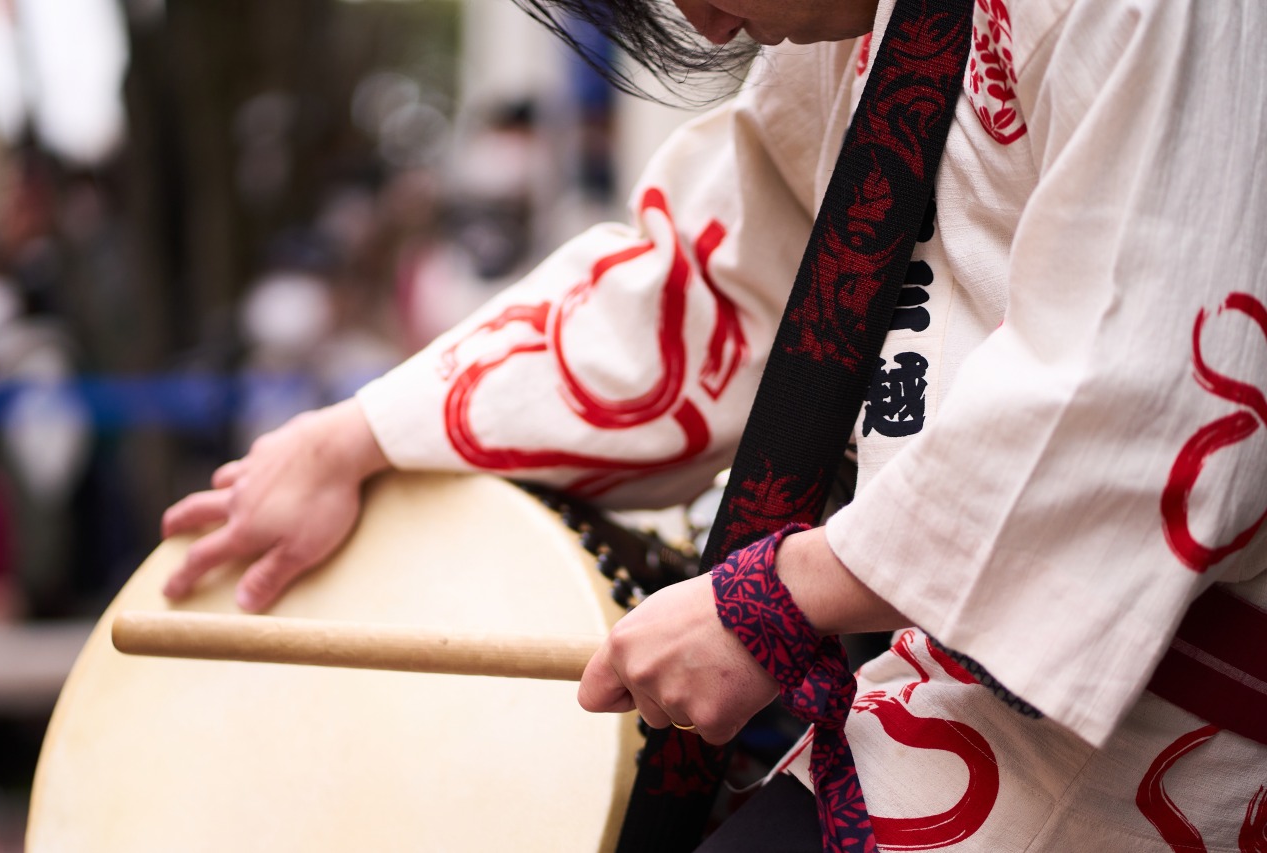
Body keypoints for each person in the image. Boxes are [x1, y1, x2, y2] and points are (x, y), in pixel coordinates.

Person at [162, 0, 1267, 849]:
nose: (701, 24)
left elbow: (1140, 395)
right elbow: (710, 292)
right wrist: (354, 438)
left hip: (1161, 705)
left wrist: (782, 596)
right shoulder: (853, 38)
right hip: (950, 665)